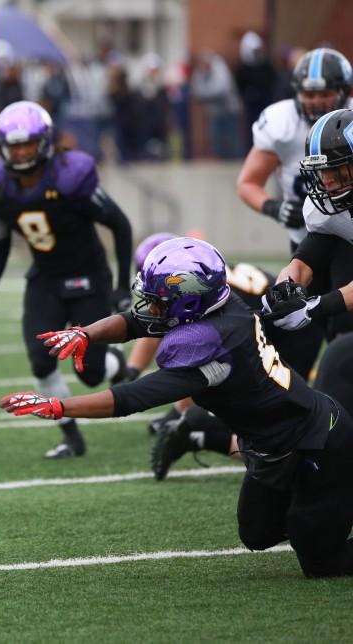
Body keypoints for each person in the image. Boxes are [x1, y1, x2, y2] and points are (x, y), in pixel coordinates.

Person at [1, 236, 353, 578]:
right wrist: (85, 334)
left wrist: (60, 406)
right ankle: (317, 510)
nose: (152, 307)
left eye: (159, 300)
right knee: (257, 534)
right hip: (269, 444)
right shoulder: (219, 308)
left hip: (316, 441)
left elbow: (134, 397)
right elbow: (134, 321)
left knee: (322, 563)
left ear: (189, 302)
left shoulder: (211, 343)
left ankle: (324, 509)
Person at [0, 100, 133, 459]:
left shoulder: (71, 176)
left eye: (29, 143)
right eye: (15, 146)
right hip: (45, 278)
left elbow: (120, 226)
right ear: (2, 147)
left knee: (91, 375)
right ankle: (70, 436)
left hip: (89, 276)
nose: (23, 152)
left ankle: (117, 365)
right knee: (41, 362)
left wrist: (122, 287)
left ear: (44, 142)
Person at [122, 233, 322, 479]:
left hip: (292, 334)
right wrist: (132, 371)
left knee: (283, 432)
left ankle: (197, 434)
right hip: (276, 328)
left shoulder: (192, 295)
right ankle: (196, 434)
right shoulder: (203, 279)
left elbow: (190, 359)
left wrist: (178, 414)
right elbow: (157, 328)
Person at [265, 108, 353, 417]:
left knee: (341, 356)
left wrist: (315, 307)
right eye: (321, 171)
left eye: (337, 169)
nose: (326, 180)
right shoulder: (327, 206)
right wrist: (284, 291)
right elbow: (307, 257)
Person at [237, 48, 352, 252]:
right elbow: (248, 183)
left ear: (344, 91)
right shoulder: (281, 124)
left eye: (325, 93)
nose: (317, 101)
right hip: (307, 237)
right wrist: (274, 207)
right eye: (309, 94)